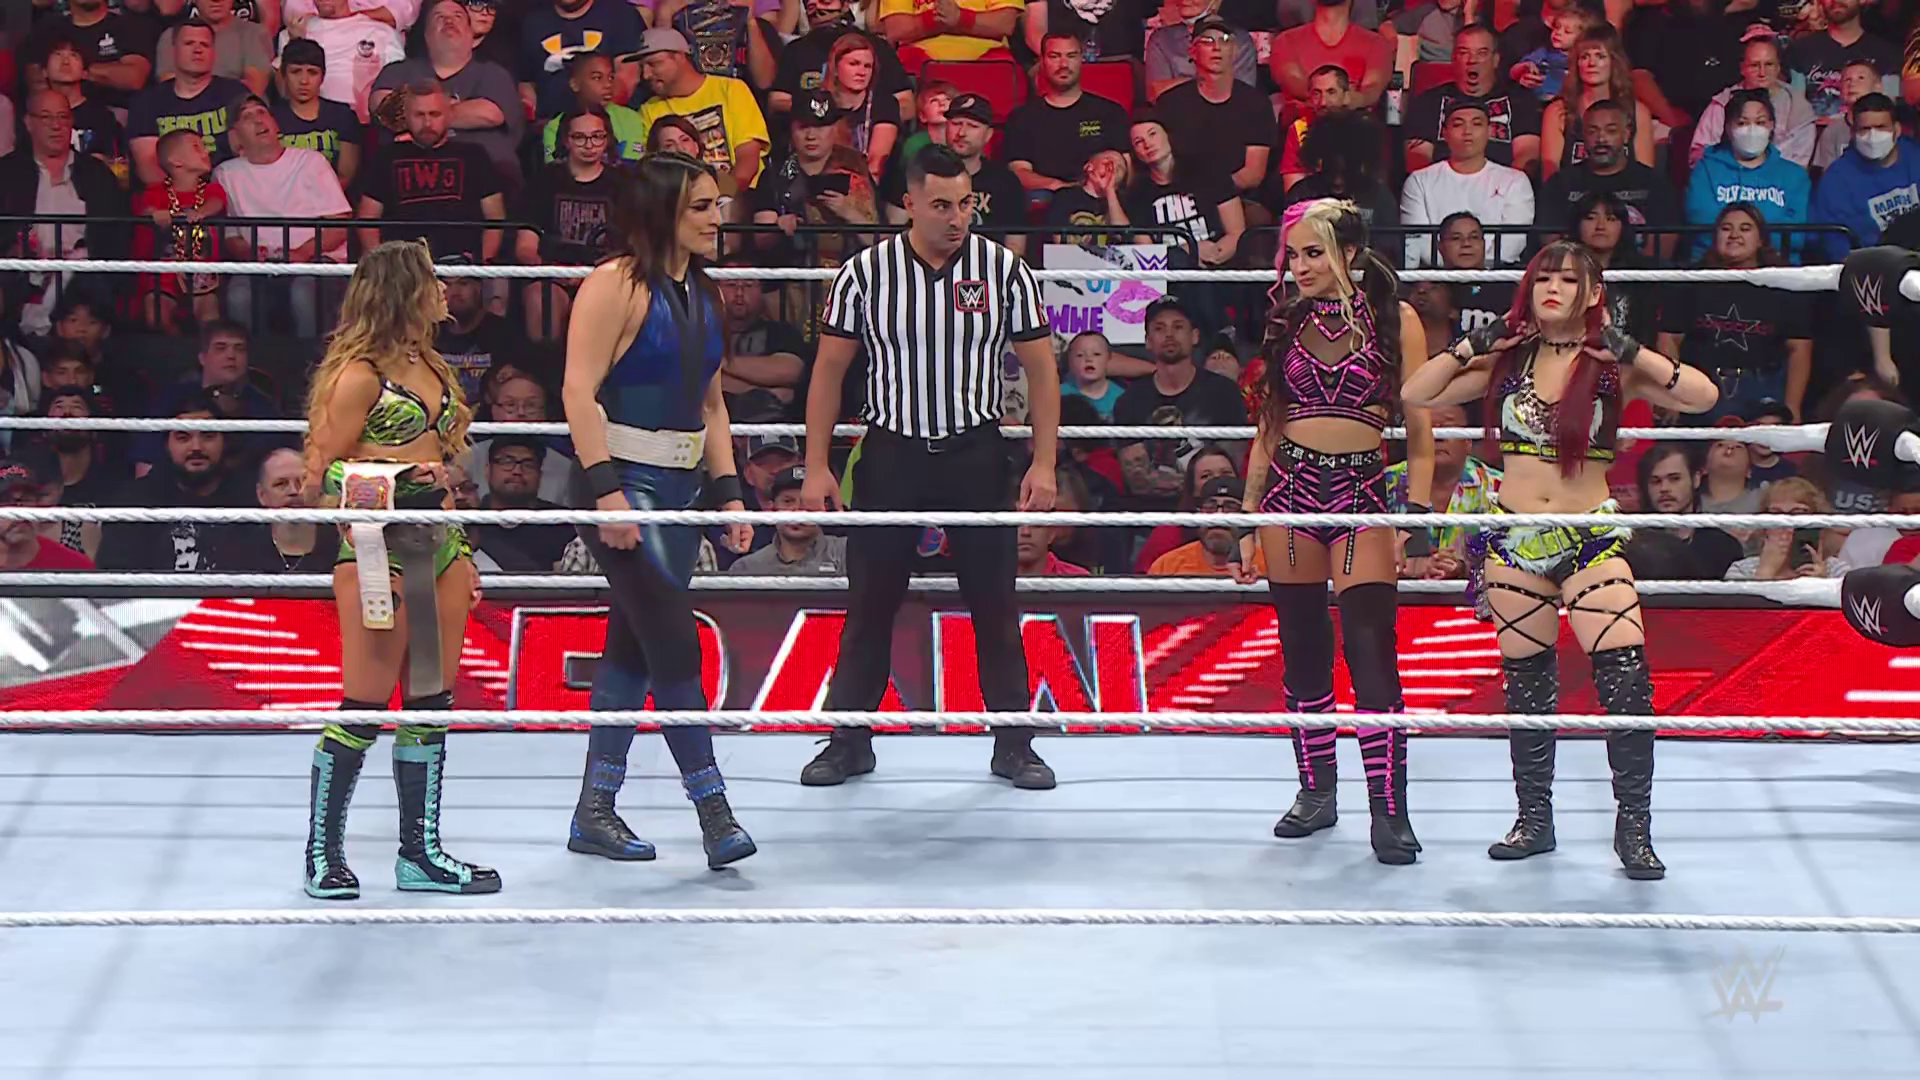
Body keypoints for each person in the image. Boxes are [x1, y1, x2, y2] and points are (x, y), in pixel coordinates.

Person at [1402, 239, 1721, 880]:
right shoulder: (1508, 359)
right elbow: (1417, 391)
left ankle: (1634, 830)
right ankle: (1534, 819)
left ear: (1593, 293)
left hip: (1588, 536)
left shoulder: (1612, 365)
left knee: (1625, 681)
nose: (1553, 288)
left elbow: (1703, 395)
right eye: (1544, 277)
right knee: (1527, 686)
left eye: (1569, 280)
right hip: (1515, 539)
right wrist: (1475, 342)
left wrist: (1627, 348)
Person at [798, 145, 1060, 789]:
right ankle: (848, 740)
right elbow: (828, 371)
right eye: (942, 205)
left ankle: (1014, 744)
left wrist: (1045, 462)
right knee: (869, 602)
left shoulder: (1005, 270)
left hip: (976, 452)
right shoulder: (865, 273)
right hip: (893, 453)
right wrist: (816, 466)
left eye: (965, 204)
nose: (957, 218)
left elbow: (1042, 370)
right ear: (909, 203)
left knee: (995, 603)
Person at [559, 153, 758, 869]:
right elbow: (578, 391)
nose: (716, 218)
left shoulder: (703, 292)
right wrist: (606, 490)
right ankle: (713, 811)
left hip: (679, 486)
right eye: (701, 206)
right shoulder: (614, 283)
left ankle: (595, 810)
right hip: (622, 476)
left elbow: (713, 404)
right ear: (663, 212)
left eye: (716, 205)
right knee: (674, 638)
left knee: (635, 642)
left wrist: (729, 490)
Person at [1230, 197, 1434, 865]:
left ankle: (1389, 809)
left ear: (1349, 254)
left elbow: (1422, 434)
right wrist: (1247, 516)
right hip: (1291, 493)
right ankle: (1316, 791)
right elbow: (1269, 425)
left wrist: (1416, 518)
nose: (1300, 266)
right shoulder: (1285, 321)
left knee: (1372, 650)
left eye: (1314, 253)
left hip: (1361, 494)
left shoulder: (1394, 319)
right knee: (1302, 649)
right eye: (1293, 255)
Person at [298, 240, 499, 900]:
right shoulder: (359, 376)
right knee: (363, 705)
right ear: (402, 292)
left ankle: (421, 854)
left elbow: (442, 464)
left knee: (431, 701)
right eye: (431, 280)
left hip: (436, 547)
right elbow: (317, 475)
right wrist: (394, 481)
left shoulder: (432, 366)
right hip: (375, 548)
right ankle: (323, 856)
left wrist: (462, 550)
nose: (444, 290)